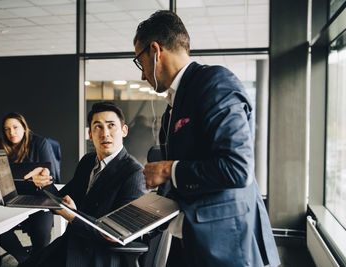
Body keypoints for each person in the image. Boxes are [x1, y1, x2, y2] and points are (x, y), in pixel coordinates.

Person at [133, 10, 281, 267]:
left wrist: (169, 169)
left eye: (140, 61)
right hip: (189, 234)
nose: (143, 75)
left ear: (155, 50)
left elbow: (237, 168)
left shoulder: (215, 84)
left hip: (225, 243)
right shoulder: (174, 105)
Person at [19, 101, 148, 267]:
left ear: (124, 131)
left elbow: (118, 234)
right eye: (98, 127)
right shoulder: (88, 161)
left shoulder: (134, 173)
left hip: (100, 255)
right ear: (90, 134)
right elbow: (63, 200)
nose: (105, 133)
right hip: (72, 243)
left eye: (111, 126)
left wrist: (73, 216)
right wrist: (45, 182)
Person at [0, 112, 56, 264]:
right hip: (8, 196)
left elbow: (50, 174)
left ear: (24, 128)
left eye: (15, 127)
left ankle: (37, 259)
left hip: (37, 197)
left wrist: (42, 176)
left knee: (42, 232)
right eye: (7, 129)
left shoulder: (39, 143)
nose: (11, 132)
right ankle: (25, 260)